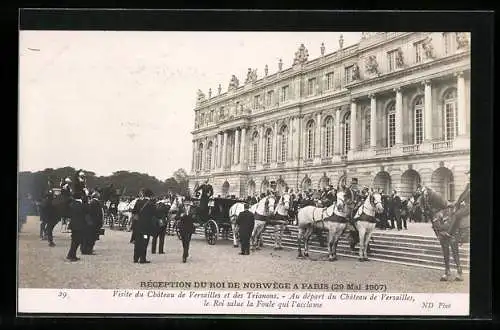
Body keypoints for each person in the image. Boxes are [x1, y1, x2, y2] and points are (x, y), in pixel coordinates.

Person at [131, 188, 156, 264]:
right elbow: (154, 214)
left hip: (138, 226)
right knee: (144, 242)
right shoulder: (151, 204)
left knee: (138, 241)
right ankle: (142, 258)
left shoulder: (138, 202)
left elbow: (134, 212)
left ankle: (135, 258)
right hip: (146, 228)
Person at [444, 170, 470, 237]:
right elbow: (462, 195)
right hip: (466, 205)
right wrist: (457, 203)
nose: (468, 176)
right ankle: (457, 231)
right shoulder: (468, 185)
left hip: (469, 206)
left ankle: (449, 233)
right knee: (453, 212)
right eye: (467, 174)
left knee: (456, 215)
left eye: (469, 174)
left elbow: (465, 196)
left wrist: (463, 202)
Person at [66, 192, 87, 262]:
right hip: (79, 225)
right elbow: (85, 213)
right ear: (81, 197)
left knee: (74, 241)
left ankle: (71, 254)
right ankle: (71, 255)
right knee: (77, 241)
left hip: (73, 225)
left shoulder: (72, 204)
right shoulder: (81, 205)